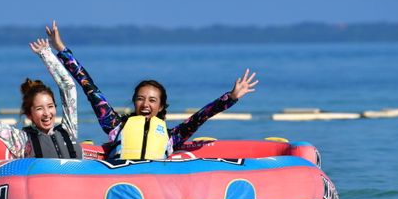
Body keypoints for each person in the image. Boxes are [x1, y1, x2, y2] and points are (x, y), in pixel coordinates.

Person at [44, 21, 258, 159]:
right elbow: (89, 88)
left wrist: (230, 98)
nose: (145, 104)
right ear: (134, 101)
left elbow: (201, 117)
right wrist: (62, 49)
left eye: (152, 100)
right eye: (140, 99)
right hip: (117, 183)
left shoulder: (172, 136)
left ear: (161, 106)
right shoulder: (115, 126)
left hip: (155, 188)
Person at [0, 39, 82, 159]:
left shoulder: (69, 129)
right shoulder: (21, 140)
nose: (47, 113)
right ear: (29, 114)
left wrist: (46, 55)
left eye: (50, 106)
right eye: (39, 109)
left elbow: (68, 86)